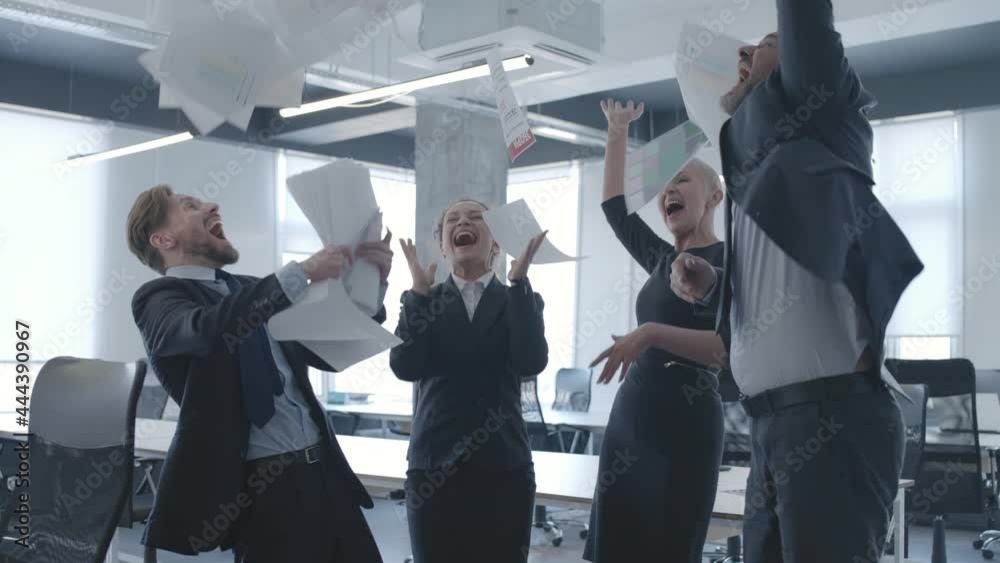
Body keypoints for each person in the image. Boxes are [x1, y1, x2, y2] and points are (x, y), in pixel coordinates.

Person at [669, 1, 925, 561]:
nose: (742, 51)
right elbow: (780, 283)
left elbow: (805, 20)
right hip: (770, 424)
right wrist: (714, 283)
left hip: (832, 420)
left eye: (765, 44)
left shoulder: (826, 112)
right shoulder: (755, 166)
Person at [127, 185, 389, 563]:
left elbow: (326, 348)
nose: (212, 205)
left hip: (326, 475)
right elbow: (207, 331)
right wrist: (301, 273)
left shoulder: (251, 289)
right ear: (163, 239)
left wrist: (371, 284)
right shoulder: (158, 299)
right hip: (266, 492)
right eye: (190, 206)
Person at [583, 99, 728, 563]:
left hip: (690, 417)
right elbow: (614, 209)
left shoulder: (730, 262)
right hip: (634, 414)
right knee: (616, 545)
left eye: (682, 180)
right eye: (665, 185)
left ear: (715, 197)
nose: (669, 190)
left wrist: (648, 333)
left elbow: (727, 350)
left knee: (672, 545)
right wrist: (617, 129)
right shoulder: (662, 259)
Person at [390, 199, 549, 563]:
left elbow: (530, 362)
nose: (463, 222)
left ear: (496, 242)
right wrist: (417, 296)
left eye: (476, 217)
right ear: (443, 246)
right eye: (453, 220)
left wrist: (519, 283)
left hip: (504, 468)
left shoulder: (519, 298)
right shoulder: (422, 300)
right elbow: (405, 367)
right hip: (433, 469)